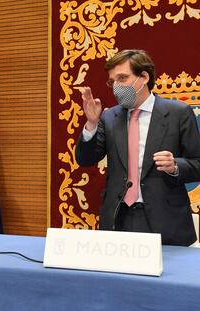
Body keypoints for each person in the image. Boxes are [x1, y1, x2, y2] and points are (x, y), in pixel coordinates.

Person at [76, 49, 200, 246]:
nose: (116, 86)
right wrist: (91, 124)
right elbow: (85, 159)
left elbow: (197, 164)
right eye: (112, 81)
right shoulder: (109, 117)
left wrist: (175, 166)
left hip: (165, 219)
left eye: (122, 78)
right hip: (119, 217)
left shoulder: (178, 113)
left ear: (143, 77)